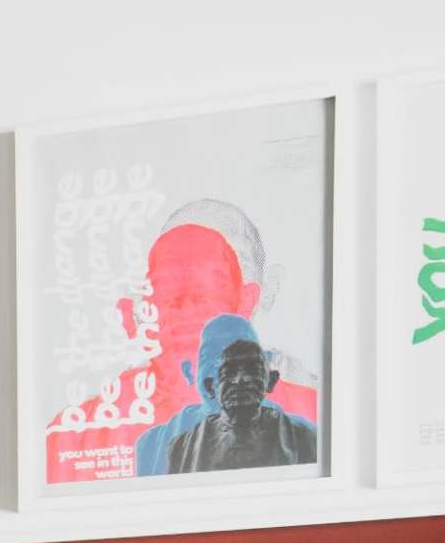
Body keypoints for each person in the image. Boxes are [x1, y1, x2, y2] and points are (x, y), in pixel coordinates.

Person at [44, 202, 322, 484]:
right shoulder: (78, 436)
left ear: (247, 298)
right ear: (144, 307)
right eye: (169, 284)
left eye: (207, 282)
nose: (187, 307)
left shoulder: (315, 416)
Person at [138, 317, 320, 475]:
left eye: (249, 363)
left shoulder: (306, 438)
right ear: (190, 372)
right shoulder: (156, 446)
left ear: (268, 376)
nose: (239, 379)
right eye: (213, 357)